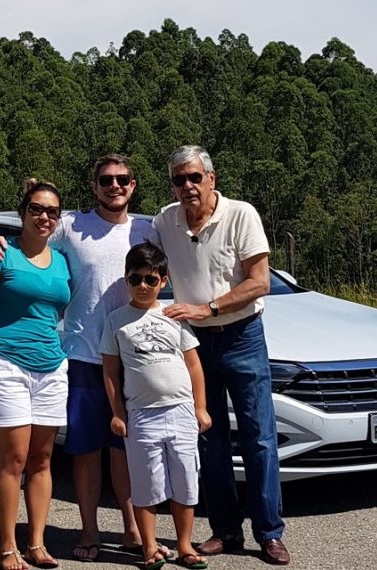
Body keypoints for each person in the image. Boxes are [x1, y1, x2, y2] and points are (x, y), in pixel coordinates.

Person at [0, 155, 156, 562]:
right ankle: (89, 531)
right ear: (94, 186)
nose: (114, 186)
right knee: (86, 451)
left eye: (122, 179)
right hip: (82, 356)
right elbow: (29, 234)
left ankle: (133, 530)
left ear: (133, 185)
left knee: (128, 449)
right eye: (105, 180)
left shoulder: (148, 229)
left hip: (134, 357)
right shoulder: (71, 225)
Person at [151, 145, 290, 565]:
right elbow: (133, 252)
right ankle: (226, 530)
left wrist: (208, 308)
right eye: (179, 179)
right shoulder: (165, 221)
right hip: (195, 342)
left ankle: (269, 532)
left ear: (212, 178)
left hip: (242, 335)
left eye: (195, 177)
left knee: (258, 436)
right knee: (208, 436)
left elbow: (260, 282)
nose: (188, 186)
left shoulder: (241, 214)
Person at [0, 179, 71, 570]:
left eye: (51, 212)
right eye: (36, 209)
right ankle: (8, 547)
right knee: (13, 459)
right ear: (23, 213)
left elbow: (57, 310)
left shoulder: (62, 261)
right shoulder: (0, 254)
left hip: (51, 367)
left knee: (42, 460)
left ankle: (37, 543)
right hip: (6, 366)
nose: (44, 217)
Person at [101, 243, 211, 570]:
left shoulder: (174, 316)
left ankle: (184, 545)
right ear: (126, 280)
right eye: (135, 279)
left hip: (181, 410)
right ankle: (149, 547)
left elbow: (193, 365)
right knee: (146, 485)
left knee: (185, 481)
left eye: (150, 280)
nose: (143, 286)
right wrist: (118, 413)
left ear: (163, 281)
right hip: (141, 415)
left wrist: (200, 407)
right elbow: (110, 371)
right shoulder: (116, 321)